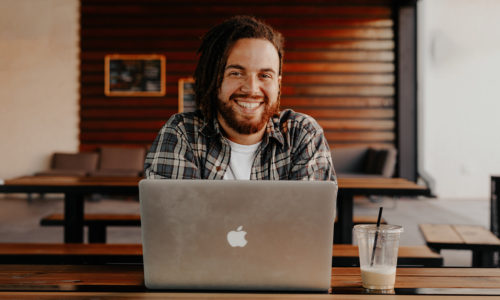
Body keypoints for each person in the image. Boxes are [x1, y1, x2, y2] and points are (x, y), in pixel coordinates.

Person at [144, 15, 335, 182]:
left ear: (278, 84)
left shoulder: (302, 135)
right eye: (236, 73)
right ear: (214, 78)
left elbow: (308, 222)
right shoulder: (182, 135)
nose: (251, 88)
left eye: (265, 75)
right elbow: (174, 221)